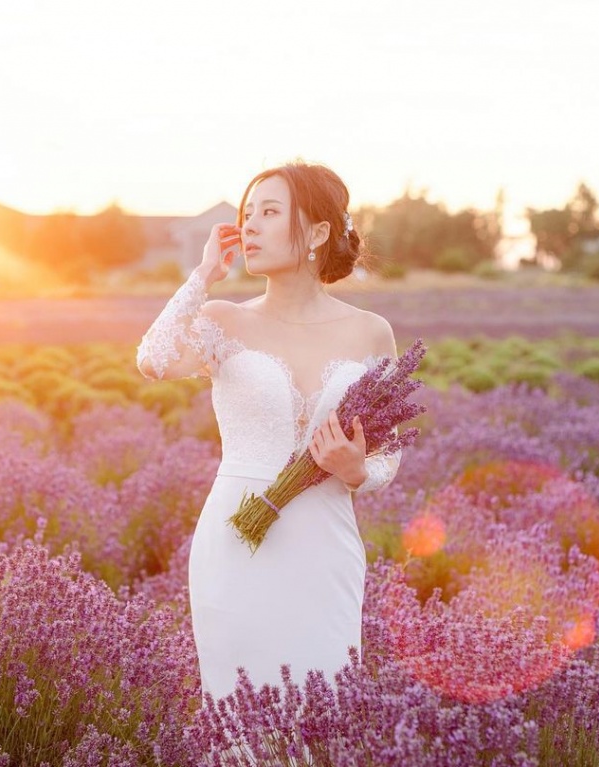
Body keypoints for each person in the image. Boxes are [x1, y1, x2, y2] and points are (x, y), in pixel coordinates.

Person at [135, 161, 401, 701]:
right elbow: (154, 360)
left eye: (270, 212)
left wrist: (356, 470)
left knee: (324, 709)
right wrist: (202, 275)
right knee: (238, 713)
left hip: (325, 545)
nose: (250, 225)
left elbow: (388, 457)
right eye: (247, 214)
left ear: (319, 232)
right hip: (237, 541)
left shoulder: (373, 333)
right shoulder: (224, 320)